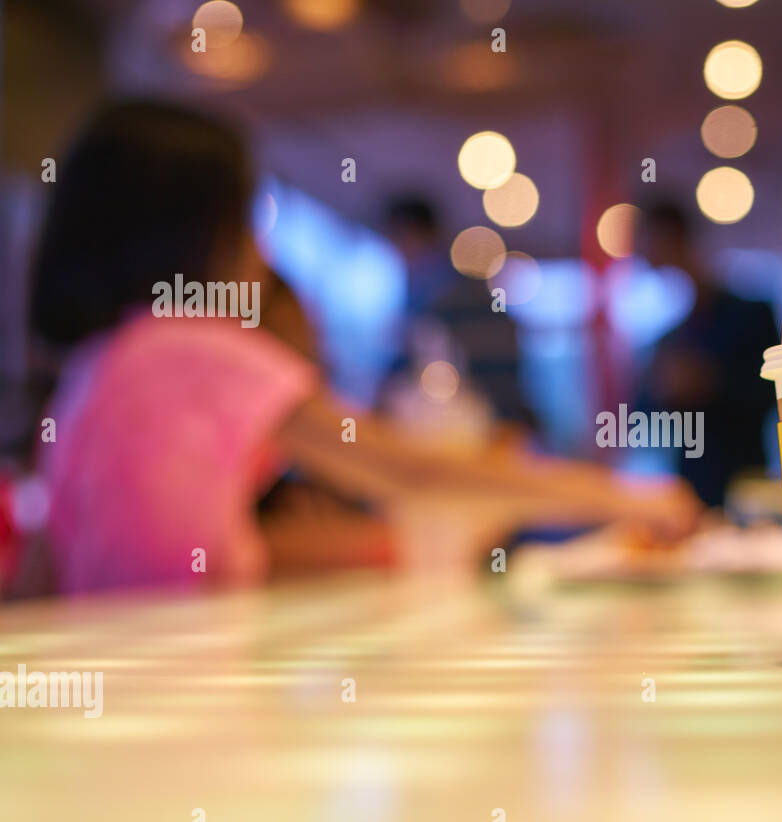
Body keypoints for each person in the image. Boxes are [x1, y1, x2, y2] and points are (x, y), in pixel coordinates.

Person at [27, 100, 697, 594]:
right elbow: (408, 469)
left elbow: (138, 554)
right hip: (185, 659)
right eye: (246, 220)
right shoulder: (196, 348)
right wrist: (627, 496)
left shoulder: (100, 362)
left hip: (123, 650)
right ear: (197, 232)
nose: (263, 250)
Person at [636, 202, 779, 508]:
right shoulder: (671, 337)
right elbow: (642, 411)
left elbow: (776, 392)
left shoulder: (751, 315)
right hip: (690, 490)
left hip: (746, 483)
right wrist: (663, 391)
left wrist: (710, 383)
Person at [381, 195, 537, 432]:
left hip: (471, 431)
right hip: (500, 426)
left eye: (396, 242)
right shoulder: (467, 289)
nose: (397, 254)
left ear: (408, 234)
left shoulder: (434, 295)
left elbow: (408, 372)